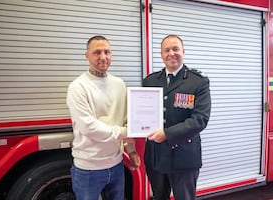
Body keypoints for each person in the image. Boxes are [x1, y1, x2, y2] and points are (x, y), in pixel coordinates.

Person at [66, 35, 141, 200]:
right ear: (87, 55)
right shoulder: (78, 87)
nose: (103, 57)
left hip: (116, 165)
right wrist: (125, 131)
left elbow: (124, 118)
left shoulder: (119, 84)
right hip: (88, 170)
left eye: (107, 52)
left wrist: (131, 150)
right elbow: (88, 127)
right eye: (97, 52)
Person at [143, 35, 211, 200]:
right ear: (161, 54)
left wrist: (167, 133)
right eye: (167, 50)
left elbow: (200, 119)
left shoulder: (198, 82)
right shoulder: (150, 81)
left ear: (183, 52)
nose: (171, 53)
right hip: (156, 155)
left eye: (175, 49)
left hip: (185, 156)